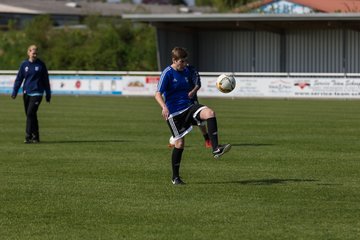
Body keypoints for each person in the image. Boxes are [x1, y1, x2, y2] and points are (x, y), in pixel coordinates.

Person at [155, 47, 231, 185]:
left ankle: (215, 148)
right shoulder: (167, 73)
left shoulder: (186, 71)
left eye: (185, 61)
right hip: (174, 114)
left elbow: (195, 84)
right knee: (179, 143)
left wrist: (192, 92)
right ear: (174, 60)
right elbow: (157, 93)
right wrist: (164, 107)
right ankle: (175, 177)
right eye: (182, 62)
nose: (184, 64)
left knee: (210, 113)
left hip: (188, 107)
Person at [11, 44, 51, 143]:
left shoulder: (41, 65)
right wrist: (15, 91)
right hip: (26, 93)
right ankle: (36, 137)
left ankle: (28, 136)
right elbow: (19, 79)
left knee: (30, 113)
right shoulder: (24, 65)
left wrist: (48, 93)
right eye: (33, 51)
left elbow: (46, 80)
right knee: (31, 115)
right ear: (28, 52)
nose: (35, 53)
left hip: (37, 93)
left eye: (36, 51)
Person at [168, 64, 212, 149]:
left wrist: (193, 92)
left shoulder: (192, 70)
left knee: (200, 120)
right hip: (178, 100)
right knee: (178, 118)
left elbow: (198, 84)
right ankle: (177, 139)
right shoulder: (172, 70)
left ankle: (207, 139)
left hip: (190, 98)